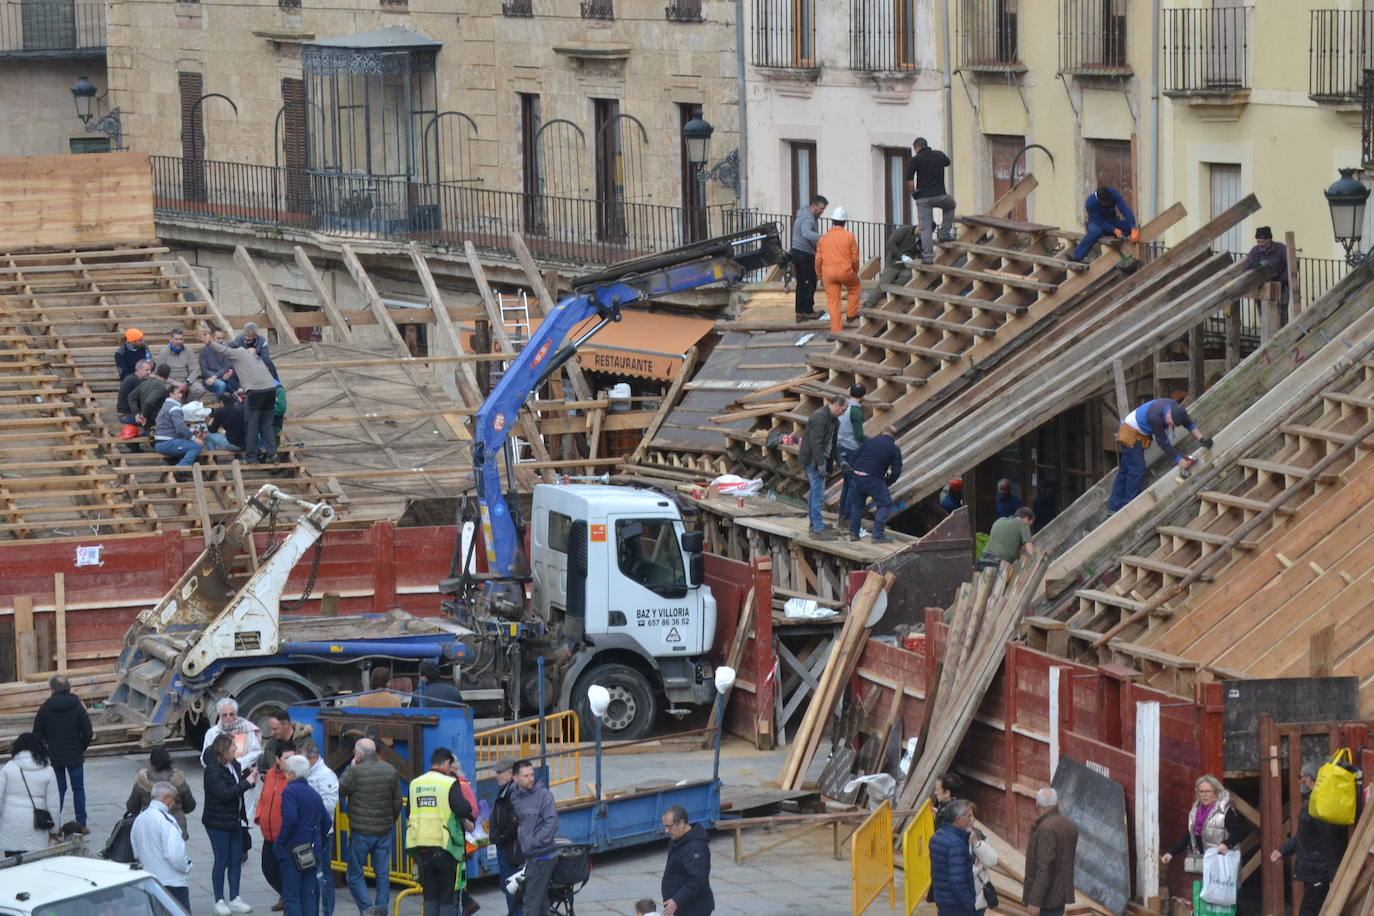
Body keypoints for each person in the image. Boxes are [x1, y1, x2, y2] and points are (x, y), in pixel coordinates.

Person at [1108, 398, 1212, 513]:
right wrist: (1180, 460)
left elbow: (1189, 424)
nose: (1170, 425)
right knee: (1137, 469)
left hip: (1139, 432)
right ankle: (1126, 507)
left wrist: (1202, 439)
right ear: (1169, 413)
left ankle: (1114, 507)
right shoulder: (1155, 417)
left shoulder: (1177, 410)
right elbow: (1163, 443)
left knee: (1126, 469)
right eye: (1170, 422)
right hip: (1130, 431)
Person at [1271, 762, 1347, 916]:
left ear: (1310, 778)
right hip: (1316, 868)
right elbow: (1304, 835)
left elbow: (1330, 841)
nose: (1299, 781)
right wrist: (1283, 851)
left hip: (1320, 870)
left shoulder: (1319, 803)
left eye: (1301, 777)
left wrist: (1333, 876)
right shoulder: (1313, 801)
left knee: (1308, 911)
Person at [407, 747, 476, 916]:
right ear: (446, 763)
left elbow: (409, 812)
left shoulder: (415, 783)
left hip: (420, 847)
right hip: (445, 847)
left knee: (430, 895)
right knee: (448, 897)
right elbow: (463, 809)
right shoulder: (448, 783)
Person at [339, 737, 402, 914]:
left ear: (358, 754)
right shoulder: (390, 770)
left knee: (354, 874)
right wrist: (390, 821)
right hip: (383, 831)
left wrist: (351, 767)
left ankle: (367, 908)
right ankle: (381, 909)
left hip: (361, 832)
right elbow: (397, 801)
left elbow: (340, 789)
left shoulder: (354, 771)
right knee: (382, 874)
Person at [200, 328, 280, 465]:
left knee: (251, 426)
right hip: (270, 390)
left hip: (257, 393)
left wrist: (209, 343)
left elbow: (223, 350)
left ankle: (251, 458)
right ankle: (273, 455)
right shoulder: (254, 357)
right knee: (266, 426)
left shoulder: (237, 353)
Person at [203, 732, 259, 915]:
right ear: (224, 750)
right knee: (222, 860)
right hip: (217, 822)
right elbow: (224, 794)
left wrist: (249, 780)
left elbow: (237, 786)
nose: (237, 748)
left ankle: (235, 898)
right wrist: (246, 784)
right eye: (233, 746)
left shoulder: (233, 764)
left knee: (236, 859)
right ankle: (219, 900)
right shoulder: (212, 770)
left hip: (235, 820)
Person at [32, 674, 92, 831]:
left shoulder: (45, 708)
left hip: (55, 757)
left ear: (52, 689)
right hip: (75, 756)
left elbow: (36, 734)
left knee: (58, 790)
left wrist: (46, 751)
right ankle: (82, 825)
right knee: (78, 789)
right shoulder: (77, 706)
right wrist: (81, 748)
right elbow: (88, 732)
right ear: (68, 688)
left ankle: (54, 824)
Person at [1162, 775, 1247, 874]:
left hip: (1223, 863)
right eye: (1201, 792)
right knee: (1200, 888)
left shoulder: (1225, 811)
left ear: (1216, 792)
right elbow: (1188, 836)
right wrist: (1172, 853)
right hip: (1201, 863)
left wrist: (1226, 844)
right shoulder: (1195, 812)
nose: (1204, 795)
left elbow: (1238, 832)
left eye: (1208, 792)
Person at [276, 755, 327, 916]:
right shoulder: (314, 794)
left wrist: (280, 841)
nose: (284, 775)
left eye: (285, 772)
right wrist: (317, 840)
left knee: (291, 896)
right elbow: (326, 822)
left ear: (292, 774)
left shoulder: (290, 791)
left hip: (293, 850)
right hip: (311, 850)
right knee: (307, 894)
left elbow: (290, 818)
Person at [131, 780, 193, 913]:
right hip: (172, 884)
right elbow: (175, 856)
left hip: (150, 883)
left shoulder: (139, 820)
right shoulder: (166, 821)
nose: (174, 803)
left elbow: (136, 853)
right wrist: (186, 866)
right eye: (173, 799)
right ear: (166, 797)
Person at [511, 758, 560, 916]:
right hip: (531, 856)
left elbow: (552, 824)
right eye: (526, 776)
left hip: (542, 856)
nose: (531, 778)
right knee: (541, 902)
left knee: (530, 905)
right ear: (515, 778)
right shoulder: (515, 796)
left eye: (532, 774)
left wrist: (533, 843)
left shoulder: (544, 795)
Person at [0, 732, 60, 855]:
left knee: (12, 867)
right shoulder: (48, 770)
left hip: (11, 824)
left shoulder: (9, 768)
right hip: (36, 826)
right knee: (33, 867)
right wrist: (54, 830)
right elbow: (53, 804)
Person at [255, 738, 297, 908]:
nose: (290, 761)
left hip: (286, 837)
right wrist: (260, 816)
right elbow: (264, 798)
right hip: (269, 834)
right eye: (287, 758)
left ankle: (289, 899)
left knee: (287, 872)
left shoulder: (295, 777)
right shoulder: (271, 774)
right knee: (268, 870)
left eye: (293, 757)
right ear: (278, 760)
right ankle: (286, 896)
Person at [1024, 787, 1078, 916]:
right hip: (1058, 896)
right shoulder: (1068, 824)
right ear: (1057, 803)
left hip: (1047, 900)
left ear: (1037, 804)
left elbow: (1045, 867)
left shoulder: (1045, 829)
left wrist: (1035, 900)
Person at [300, 738, 339, 916]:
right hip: (307, 832)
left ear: (312, 757)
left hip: (323, 835)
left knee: (323, 878)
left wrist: (307, 805)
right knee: (311, 878)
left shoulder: (326, 775)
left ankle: (327, 912)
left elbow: (330, 804)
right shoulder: (306, 773)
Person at [126, 745, 198, 840]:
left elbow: (132, 808)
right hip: (176, 828)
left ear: (151, 761)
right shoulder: (179, 781)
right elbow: (190, 806)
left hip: (150, 828)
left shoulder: (142, 782)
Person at [799, 395, 846, 538]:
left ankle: (815, 525)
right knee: (818, 494)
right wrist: (820, 464)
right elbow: (815, 443)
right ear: (837, 405)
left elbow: (833, 445)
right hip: (813, 461)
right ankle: (817, 529)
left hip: (820, 460)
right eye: (843, 410)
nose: (843, 413)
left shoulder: (834, 421)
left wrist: (841, 462)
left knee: (815, 493)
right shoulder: (819, 417)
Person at [848, 424, 902, 545]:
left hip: (857, 475)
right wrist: (887, 482)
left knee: (857, 505)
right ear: (894, 437)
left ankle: (854, 533)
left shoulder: (869, 441)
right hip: (872, 478)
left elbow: (854, 456)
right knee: (885, 503)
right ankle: (877, 535)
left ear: (883, 432)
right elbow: (896, 471)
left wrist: (855, 471)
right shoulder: (894, 449)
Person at [813, 206, 861, 338]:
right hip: (845, 272)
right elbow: (855, 258)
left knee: (833, 301)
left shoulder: (823, 239)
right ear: (845, 222)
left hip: (828, 274)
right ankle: (851, 315)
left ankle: (836, 331)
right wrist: (855, 272)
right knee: (855, 288)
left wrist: (819, 275)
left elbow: (818, 259)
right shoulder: (849, 237)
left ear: (832, 221)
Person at [906, 137, 956, 261]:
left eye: (915, 149)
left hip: (923, 198)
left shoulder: (915, 159)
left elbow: (909, 179)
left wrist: (913, 192)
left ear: (917, 147)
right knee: (951, 205)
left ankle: (927, 257)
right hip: (940, 196)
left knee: (925, 227)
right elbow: (947, 162)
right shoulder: (939, 155)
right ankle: (944, 233)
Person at [660, 804, 714, 916]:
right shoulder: (676, 840)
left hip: (694, 909)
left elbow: (698, 879)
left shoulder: (695, 848)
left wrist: (677, 901)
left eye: (669, 826)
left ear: (681, 823)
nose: (666, 831)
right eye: (664, 826)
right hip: (683, 907)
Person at [929, 798, 977, 916]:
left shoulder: (938, 836)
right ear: (958, 818)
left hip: (943, 900)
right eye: (968, 816)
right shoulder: (956, 844)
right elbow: (957, 880)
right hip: (957, 905)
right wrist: (969, 904)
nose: (972, 820)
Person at [488, 758, 522, 916]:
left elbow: (514, 823)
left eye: (499, 772)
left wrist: (500, 839)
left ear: (510, 774)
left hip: (511, 850)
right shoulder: (506, 790)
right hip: (507, 848)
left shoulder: (513, 792)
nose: (496, 776)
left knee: (512, 888)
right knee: (509, 888)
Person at [1069, 186, 1137, 263]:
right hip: (1096, 223)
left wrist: (1133, 226)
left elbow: (1124, 209)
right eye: (1106, 203)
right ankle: (1076, 256)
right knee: (1096, 232)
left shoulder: (1113, 193)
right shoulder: (1090, 203)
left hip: (1112, 221)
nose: (1108, 203)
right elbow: (1099, 221)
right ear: (1100, 201)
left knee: (1128, 226)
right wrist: (1114, 230)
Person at [863, 223, 922, 308]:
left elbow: (921, 254)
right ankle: (869, 303)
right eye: (923, 231)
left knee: (907, 278)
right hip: (893, 263)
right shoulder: (904, 230)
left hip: (907, 267)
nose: (923, 234)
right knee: (884, 283)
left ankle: (889, 293)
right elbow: (890, 243)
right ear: (919, 226)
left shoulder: (923, 239)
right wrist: (902, 256)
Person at [202, 696, 265, 774]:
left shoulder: (247, 729)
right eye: (225, 715)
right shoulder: (212, 733)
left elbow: (255, 752)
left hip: (243, 772)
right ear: (219, 715)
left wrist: (239, 763)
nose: (228, 717)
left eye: (231, 714)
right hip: (221, 775)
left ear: (236, 714)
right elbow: (205, 758)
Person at [1242, 226, 1291, 324]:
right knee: (1265, 319)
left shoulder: (1280, 249)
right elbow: (1246, 268)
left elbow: (1290, 266)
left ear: (1269, 239)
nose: (1260, 244)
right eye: (1258, 242)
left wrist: (1282, 280)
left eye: (1262, 242)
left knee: (1281, 318)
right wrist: (1254, 267)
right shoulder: (1255, 251)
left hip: (1281, 288)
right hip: (1262, 289)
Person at [790, 195, 828, 320]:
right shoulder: (807, 219)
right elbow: (806, 233)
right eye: (821, 208)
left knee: (802, 283)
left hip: (797, 251)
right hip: (804, 254)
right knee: (809, 282)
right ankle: (807, 311)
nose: (822, 212)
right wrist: (823, 238)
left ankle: (800, 312)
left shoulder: (802, 215)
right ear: (814, 206)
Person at [154, 381, 204, 474]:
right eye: (178, 393)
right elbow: (180, 428)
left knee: (189, 442)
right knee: (196, 446)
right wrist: (194, 438)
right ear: (171, 394)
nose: (181, 395)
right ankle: (181, 469)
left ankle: (176, 464)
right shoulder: (174, 407)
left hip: (162, 441)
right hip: (166, 442)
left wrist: (192, 431)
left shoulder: (165, 406)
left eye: (182, 393)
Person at [836, 384, 867, 523]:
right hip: (851, 450)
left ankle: (842, 514)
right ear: (863, 396)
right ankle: (848, 517)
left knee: (847, 483)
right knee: (853, 484)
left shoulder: (844, 407)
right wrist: (874, 440)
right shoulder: (856, 411)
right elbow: (859, 436)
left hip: (841, 447)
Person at [154, 327, 205, 400]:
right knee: (164, 391)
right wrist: (174, 382)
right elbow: (158, 373)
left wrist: (187, 382)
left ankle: (185, 406)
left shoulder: (188, 351)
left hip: (186, 381)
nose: (179, 341)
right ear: (171, 339)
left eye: (181, 339)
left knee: (199, 389)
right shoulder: (164, 353)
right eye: (176, 339)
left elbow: (194, 370)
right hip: (170, 382)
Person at [261, 707, 314, 774]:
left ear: (285, 724)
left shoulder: (307, 744)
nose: (272, 733)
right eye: (271, 729)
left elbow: (312, 772)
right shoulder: (271, 745)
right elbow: (265, 767)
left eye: (275, 729)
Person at [968, 806, 999, 916]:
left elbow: (992, 861)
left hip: (980, 899)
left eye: (972, 815)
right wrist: (978, 868)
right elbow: (962, 874)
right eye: (967, 816)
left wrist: (976, 842)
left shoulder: (979, 834)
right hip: (961, 902)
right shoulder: (952, 839)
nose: (971, 819)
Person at [129, 363, 172, 430]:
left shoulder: (145, 382)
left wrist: (136, 414)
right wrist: (144, 416)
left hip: (148, 422)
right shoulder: (161, 386)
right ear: (167, 376)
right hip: (154, 423)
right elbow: (149, 402)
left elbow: (131, 397)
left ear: (156, 372)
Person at [201, 327, 241, 397]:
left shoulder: (225, 350)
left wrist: (217, 377)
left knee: (234, 384)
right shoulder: (204, 351)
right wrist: (216, 377)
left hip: (223, 377)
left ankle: (236, 404)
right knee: (221, 385)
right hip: (209, 378)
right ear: (212, 338)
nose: (221, 341)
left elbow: (227, 367)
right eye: (218, 338)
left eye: (222, 338)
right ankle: (219, 406)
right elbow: (204, 371)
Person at [118, 359, 154, 427]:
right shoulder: (133, 380)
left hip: (129, 414)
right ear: (139, 369)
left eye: (150, 370)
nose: (149, 372)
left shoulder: (136, 379)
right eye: (147, 370)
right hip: (127, 416)